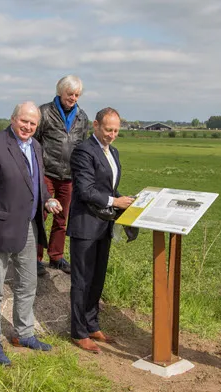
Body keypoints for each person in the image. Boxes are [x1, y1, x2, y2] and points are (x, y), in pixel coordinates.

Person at [0, 101, 63, 365]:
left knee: (28, 283)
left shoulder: (36, 146)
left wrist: (47, 200)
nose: (28, 127)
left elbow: (35, 183)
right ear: (13, 119)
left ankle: (24, 333)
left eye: (33, 123)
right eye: (24, 121)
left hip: (29, 226)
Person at [66, 107, 134, 353]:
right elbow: (85, 190)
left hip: (104, 224)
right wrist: (115, 202)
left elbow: (107, 186)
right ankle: (78, 332)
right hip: (85, 225)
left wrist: (121, 197)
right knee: (82, 281)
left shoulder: (112, 152)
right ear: (95, 125)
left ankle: (92, 324)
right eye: (108, 130)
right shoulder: (84, 151)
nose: (112, 135)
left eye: (116, 130)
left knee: (98, 279)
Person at [34, 75, 90, 275]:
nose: (73, 98)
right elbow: (34, 142)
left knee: (62, 218)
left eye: (76, 95)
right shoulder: (44, 112)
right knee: (40, 216)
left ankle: (56, 256)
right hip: (46, 174)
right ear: (60, 92)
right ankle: (35, 259)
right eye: (70, 94)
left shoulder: (82, 117)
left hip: (69, 176)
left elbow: (83, 144)